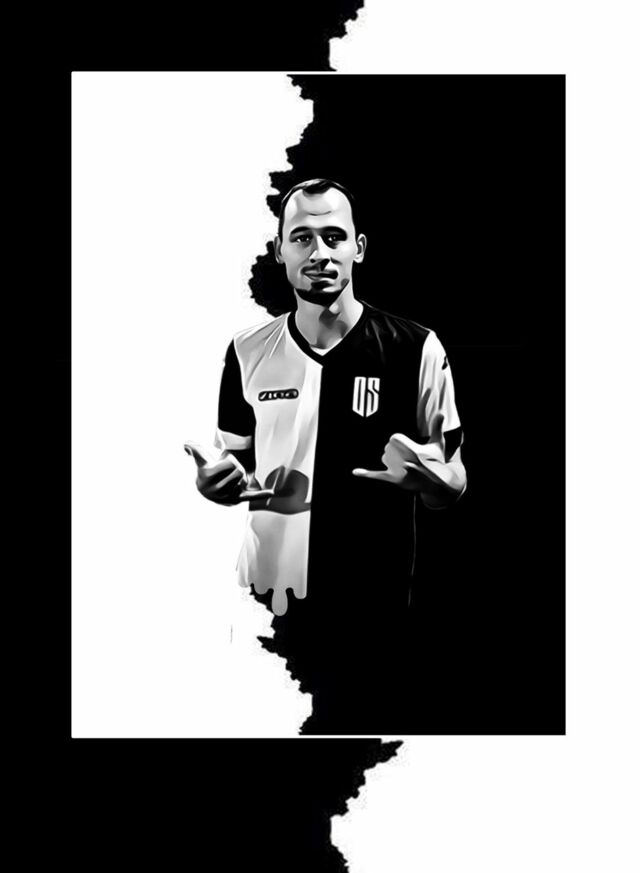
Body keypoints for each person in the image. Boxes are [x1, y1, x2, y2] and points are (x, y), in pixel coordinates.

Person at [185, 178, 467, 733]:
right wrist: (214, 485)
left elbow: (454, 480)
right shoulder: (246, 350)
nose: (319, 253)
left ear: (358, 247)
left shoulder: (415, 348)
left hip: (374, 603)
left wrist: (431, 479)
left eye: (334, 237)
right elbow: (235, 463)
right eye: (302, 238)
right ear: (279, 250)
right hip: (269, 601)